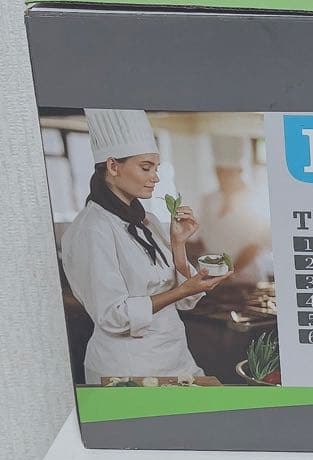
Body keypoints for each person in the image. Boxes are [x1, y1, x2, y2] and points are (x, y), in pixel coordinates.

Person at [61, 109, 233, 383]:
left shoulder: (148, 220)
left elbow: (185, 302)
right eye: (146, 167)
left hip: (174, 357)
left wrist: (178, 244)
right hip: (127, 367)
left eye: (156, 168)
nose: (155, 177)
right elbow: (113, 316)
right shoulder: (92, 229)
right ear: (113, 166)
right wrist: (183, 290)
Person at [195, 135, 272, 288]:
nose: (222, 177)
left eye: (228, 173)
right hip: (210, 277)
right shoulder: (208, 200)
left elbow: (255, 245)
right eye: (219, 172)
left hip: (246, 278)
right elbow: (205, 239)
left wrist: (229, 273)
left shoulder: (255, 200)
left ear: (239, 171)